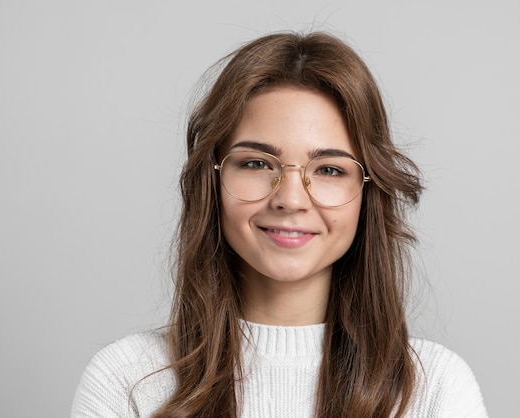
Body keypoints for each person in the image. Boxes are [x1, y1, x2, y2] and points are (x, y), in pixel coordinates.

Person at [71, 32, 487, 417]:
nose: (289, 198)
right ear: (212, 181)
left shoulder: (435, 390)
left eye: (328, 169)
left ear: (367, 191)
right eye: (255, 163)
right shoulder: (127, 382)